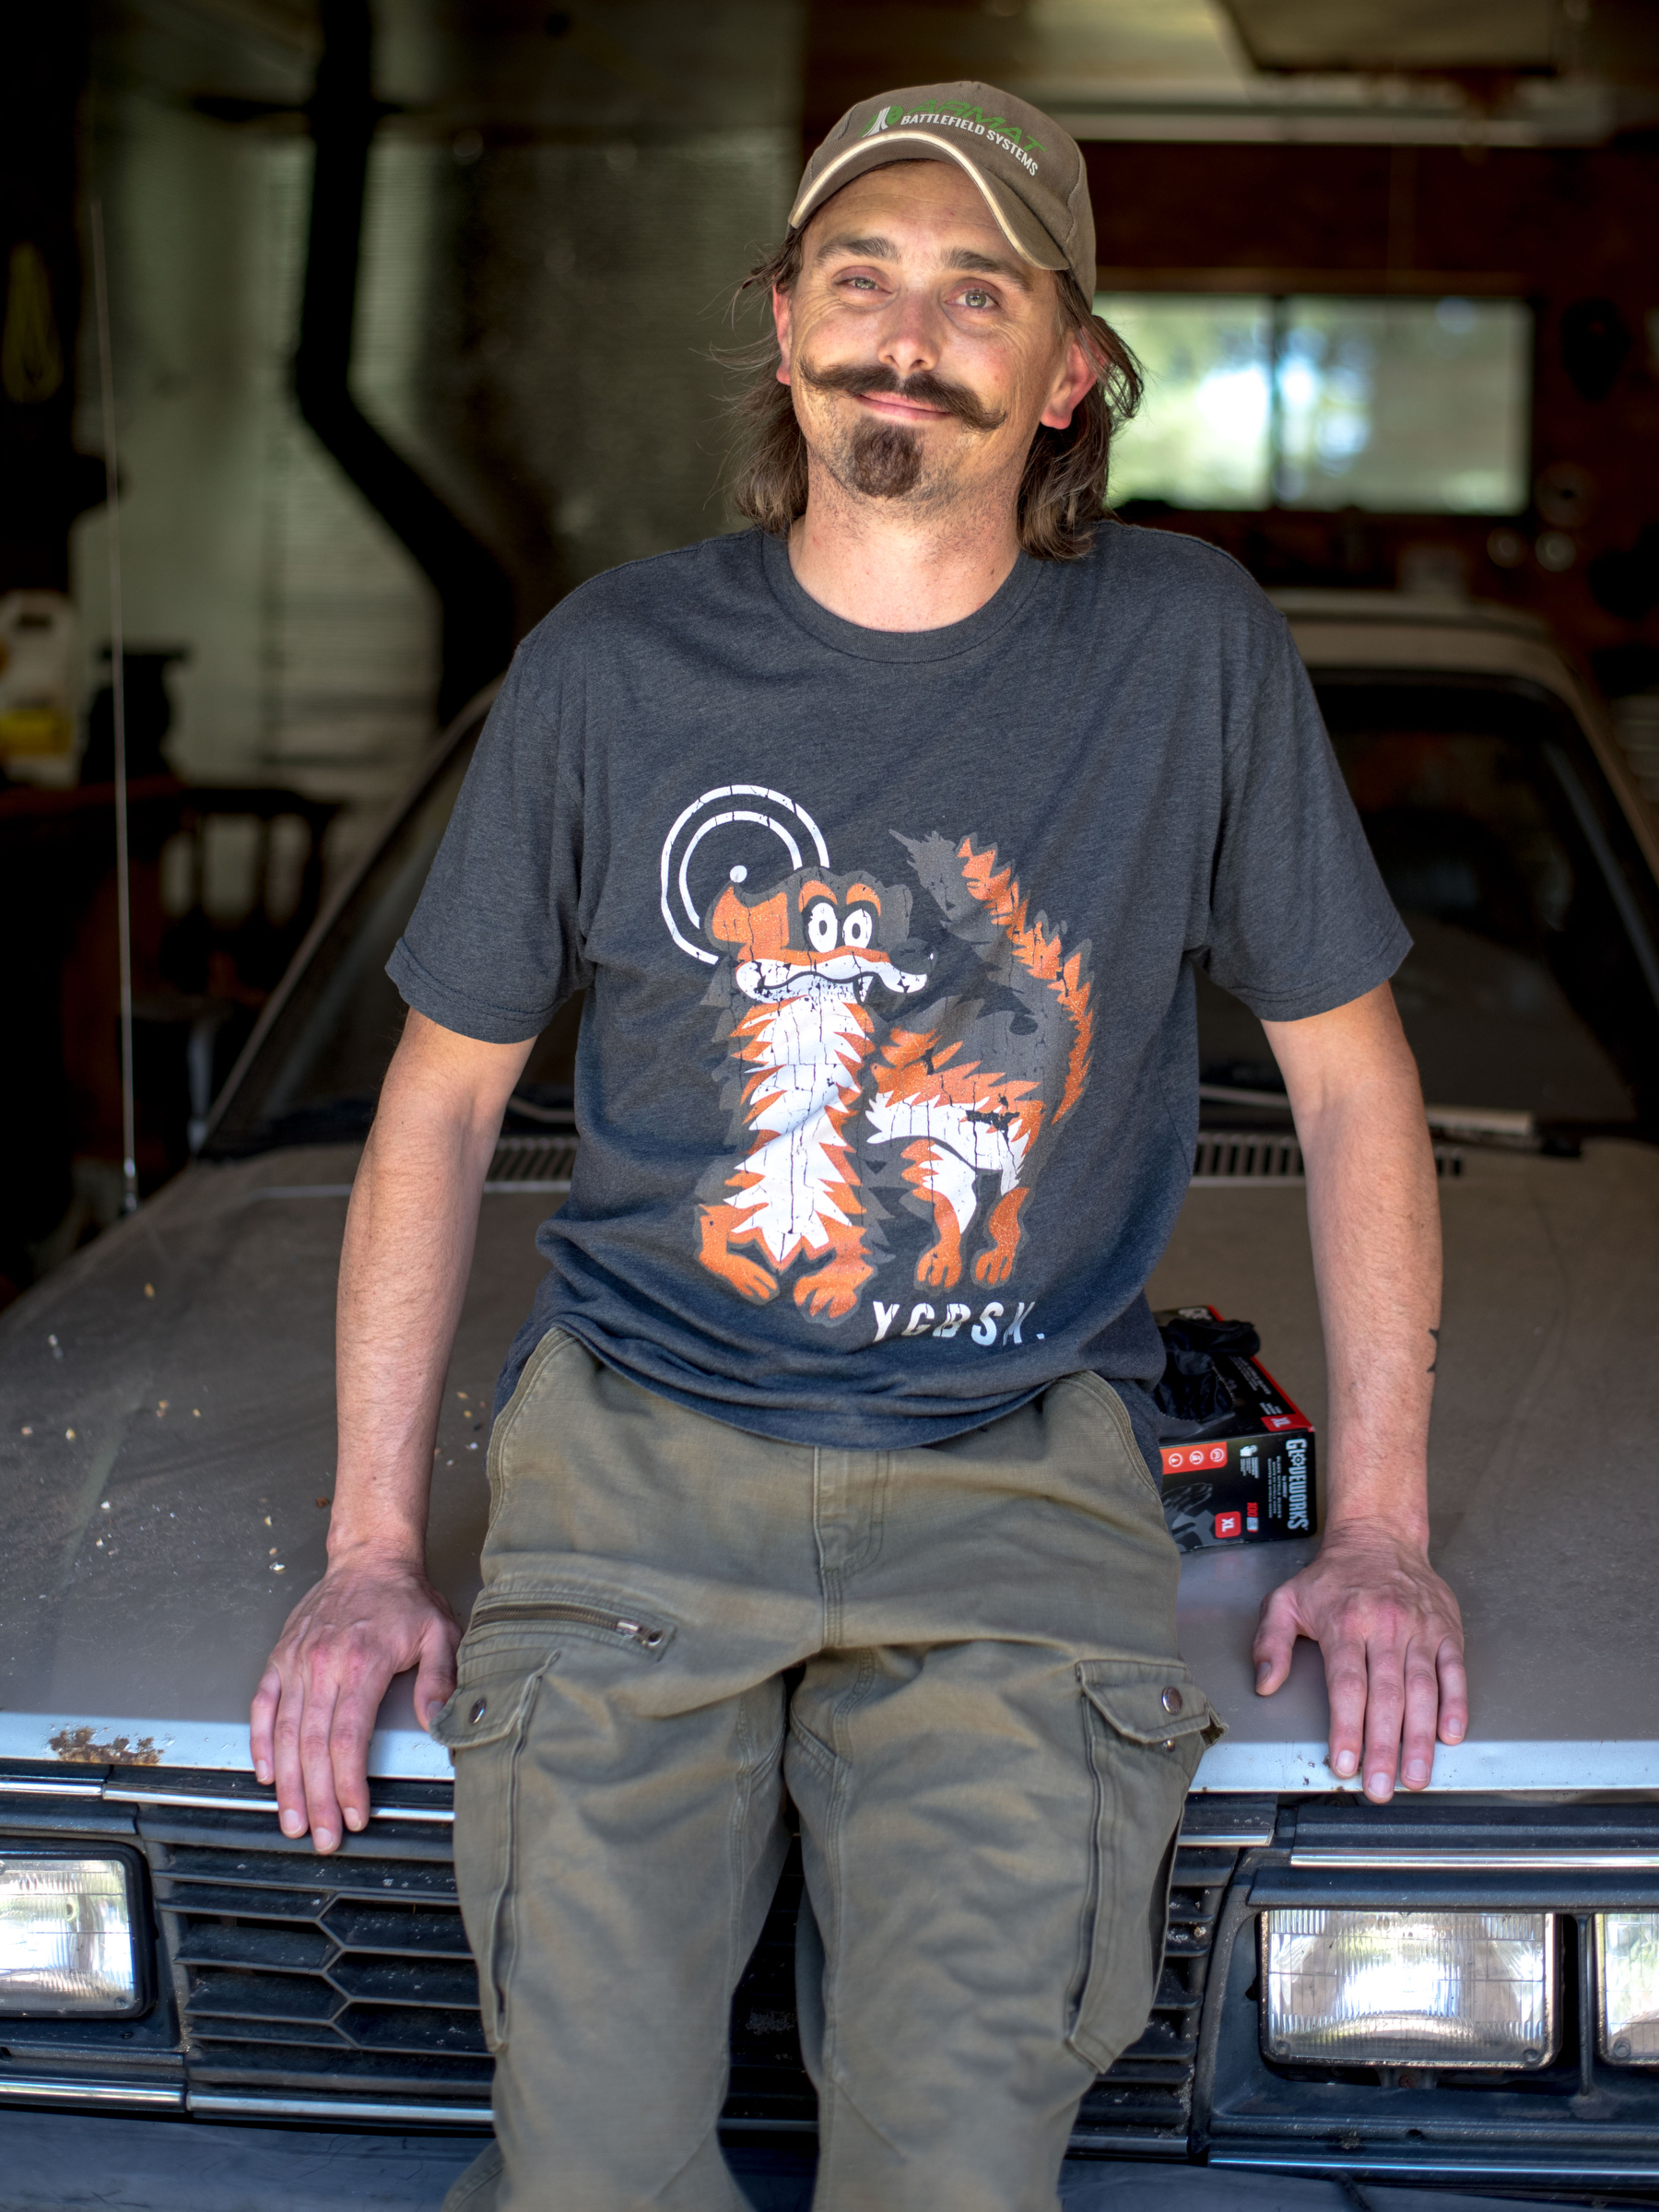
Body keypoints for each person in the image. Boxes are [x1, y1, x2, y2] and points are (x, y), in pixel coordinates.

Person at [251, 79, 1466, 2212]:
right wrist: (367, 1551)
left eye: (976, 290)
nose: (908, 333)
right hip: (636, 1476)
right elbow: (437, 1111)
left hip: (1014, 1494)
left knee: (955, 2181)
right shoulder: (612, 666)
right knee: (591, 2178)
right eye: (861, 274)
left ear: (1071, 366)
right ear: (784, 318)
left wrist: (1376, 1523)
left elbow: (1359, 1087)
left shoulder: (1189, 651)